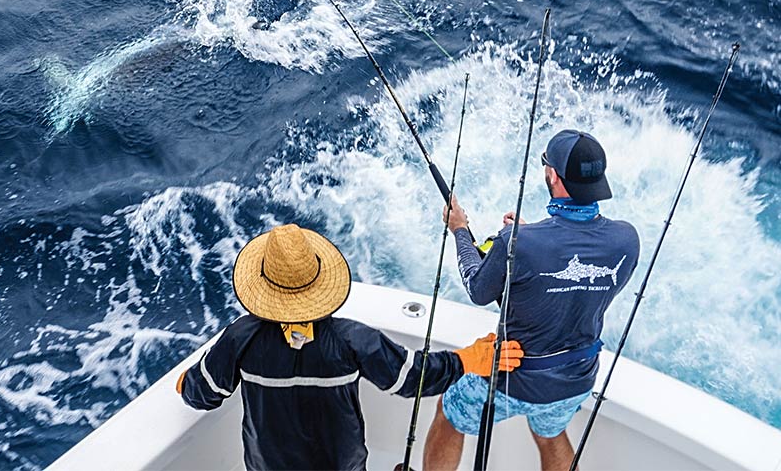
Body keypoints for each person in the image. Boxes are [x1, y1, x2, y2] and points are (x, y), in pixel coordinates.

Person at [176, 223, 524, 471]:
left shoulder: (241, 338)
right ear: (320, 281)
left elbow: (199, 393)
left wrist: (186, 383)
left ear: (265, 287)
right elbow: (413, 379)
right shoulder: (352, 339)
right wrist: (467, 359)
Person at [424, 130, 641, 471]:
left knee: (449, 412)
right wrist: (533, 238)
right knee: (551, 433)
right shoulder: (627, 240)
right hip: (577, 378)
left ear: (552, 175)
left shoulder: (519, 242)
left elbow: (478, 290)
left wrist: (460, 231)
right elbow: (575, 276)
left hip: (516, 378)